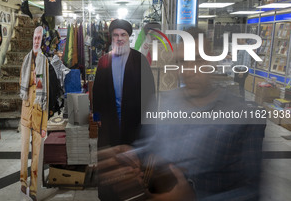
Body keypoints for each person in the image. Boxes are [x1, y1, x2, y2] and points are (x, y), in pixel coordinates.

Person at [98, 27, 266, 201]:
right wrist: (134, 155)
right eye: (182, 62)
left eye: (198, 60)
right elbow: (156, 146)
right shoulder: (166, 103)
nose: (189, 71)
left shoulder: (243, 117)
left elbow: (251, 192)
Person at [93, 19, 155, 200]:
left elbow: (150, 94)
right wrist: (97, 115)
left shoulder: (139, 60)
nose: (119, 39)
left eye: (123, 35)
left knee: (133, 164)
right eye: (115, 35)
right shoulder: (104, 61)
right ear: (111, 38)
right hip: (110, 123)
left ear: (129, 37)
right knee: (111, 164)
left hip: (134, 123)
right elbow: (97, 91)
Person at [19, 26, 49, 201]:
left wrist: (45, 125)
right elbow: (21, 86)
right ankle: (23, 181)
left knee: (36, 153)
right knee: (24, 149)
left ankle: (34, 189)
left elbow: (46, 91)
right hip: (26, 109)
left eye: (39, 38)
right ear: (32, 39)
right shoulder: (25, 59)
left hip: (38, 110)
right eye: (35, 38)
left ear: (42, 40)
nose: (36, 40)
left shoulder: (44, 61)